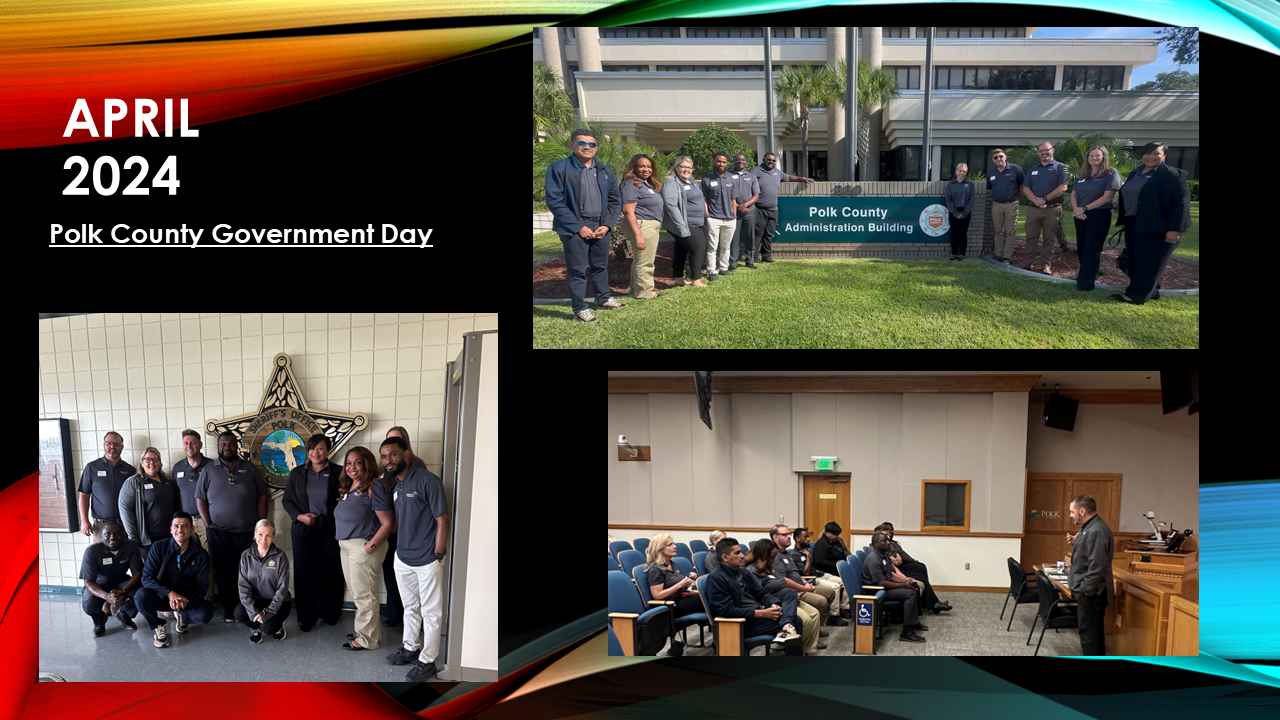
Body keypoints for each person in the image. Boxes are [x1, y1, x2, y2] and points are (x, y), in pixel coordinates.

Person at [381, 437, 449, 682]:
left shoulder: (428, 480)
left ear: (406, 454)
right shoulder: (396, 486)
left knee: (431, 613)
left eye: (393, 455)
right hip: (403, 558)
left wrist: (438, 556)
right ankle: (411, 648)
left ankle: (428, 661)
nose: (388, 460)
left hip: (427, 559)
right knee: (410, 608)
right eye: (384, 456)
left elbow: (442, 520)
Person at [544, 128, 625, 323]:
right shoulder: (558, 168)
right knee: (577, 270)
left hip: (600, 227)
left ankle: (603, 299)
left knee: (600, 266)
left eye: (591, 144)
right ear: (572, 144)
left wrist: (607, 225)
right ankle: (579, 308)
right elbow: (555, 201)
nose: (587, 147)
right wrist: (578, 226)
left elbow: (615, 200)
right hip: (574, 228)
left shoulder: (605, 170)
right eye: (582, 143)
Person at [195, 431, 268, 623]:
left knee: (247, 572)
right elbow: (200, 498)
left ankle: (246, 608)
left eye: (231, 443)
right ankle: (228, 609)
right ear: (218, 446)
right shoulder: (209, 470)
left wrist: (261, 525)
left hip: (247, 532)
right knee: (223, 572)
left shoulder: (250, 469)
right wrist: (208, 524)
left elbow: (262, 496)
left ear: (237, 447)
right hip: (219, 533)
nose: (227, 447)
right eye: (223, 444)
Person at [281, 433, 345, 632]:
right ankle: (306, 618)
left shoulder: (339, 472)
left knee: (332, 572)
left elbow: (348, 497)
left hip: (331, 529)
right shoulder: (297, 473)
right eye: (312, 448)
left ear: (328, 451)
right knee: (305, 573)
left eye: (320, 448)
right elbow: (287, 501)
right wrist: (300, 517)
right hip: (304, 530)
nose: (315, 452)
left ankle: (330, 613)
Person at [1113, 141, 1190, 304]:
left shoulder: (1173, 175)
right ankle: (1151, 291)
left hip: (1159, 226)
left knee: (1150, 261)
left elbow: (1181, 203)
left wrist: (1175, 229)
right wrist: (1125, 219)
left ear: (1164, 155)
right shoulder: (1136, 173)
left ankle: (1136, 295)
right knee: (1136, 258)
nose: (1151, 156)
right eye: (1148, 153)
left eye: (1156, 153)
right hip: (1134, 223)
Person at [334, 446, 395, 650]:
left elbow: (387, 523)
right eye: (349, 463)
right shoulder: (350, 487)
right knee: (358, 593)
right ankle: (365, 631)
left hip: (364, 546)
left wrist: (369, 547)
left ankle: (367, 640)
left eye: (357, 462)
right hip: (347, 545)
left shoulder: (375, 486)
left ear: (367, 464)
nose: (352, 467)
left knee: (365, 595)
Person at [703, 537, 802, 650]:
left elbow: (761, 593)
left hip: (756, 615)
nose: (742, 555)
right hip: (741, 623)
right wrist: (762, 613)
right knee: (796, 621)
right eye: (737, 553)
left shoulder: (742, 572)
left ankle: (786, 627)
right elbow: (726, 610)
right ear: (725, 557)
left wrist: (773, 604)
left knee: (790, 598)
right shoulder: (716, 578)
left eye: (741, 551)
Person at [137, 512, 214, 648]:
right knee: (141, 596)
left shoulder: (201, 554)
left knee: (204, 615)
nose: (180, 530)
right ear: (171, 529)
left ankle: (181, 616)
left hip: (186, 598)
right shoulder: (158, 547)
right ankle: (158, 626)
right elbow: (146, 578)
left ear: (192, 529)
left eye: (185, 526)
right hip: (163, 595)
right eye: (176, 526)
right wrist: (169, 593)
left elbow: (202, 585)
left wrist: (185, 601)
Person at [380, 426, 425, 628]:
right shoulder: (386, 470)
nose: (390, 453)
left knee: (410, 579)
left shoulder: (418, 466)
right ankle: (394, 615)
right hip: (390, 529)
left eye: (396, 441)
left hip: (410, 531)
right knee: (390, 573)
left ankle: (412, 621)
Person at [744, 539, 823, 653]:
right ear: (763, 555)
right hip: (771, 604)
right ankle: (789, 630)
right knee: (803, 620)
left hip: (785, 597)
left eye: (775, 556)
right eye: (772, 556)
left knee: (814, 613)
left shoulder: (770, 568)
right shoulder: (752, 571)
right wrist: (772, 605)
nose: (774, 559)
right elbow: (759, 595)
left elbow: (782, 581)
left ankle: (806, 647)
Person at [643, 533, 706, 657]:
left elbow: (680, 586)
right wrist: (679, 584)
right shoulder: (655, 570)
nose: (675, 546)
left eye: (674, 543)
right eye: (670, 545)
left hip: (682, 599)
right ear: (660, 548)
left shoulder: (674, 564)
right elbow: (658, 595)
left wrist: (689, 580)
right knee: (710, 599)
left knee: (712, 597)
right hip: (672, 607)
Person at [1066, 494, 1114, 655]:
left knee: (1089, 634)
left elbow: (1097, 566)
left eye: (1072, 512)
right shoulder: (1090, 527)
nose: (1070, 515)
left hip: (1093, 592)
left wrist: (1084, 590)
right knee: (1094, 632)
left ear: (1082, 511)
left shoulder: (1096, 531)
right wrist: (1076, 542)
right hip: (1092, 591)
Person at [1070, 146, 1123, 291]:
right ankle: (1087, 273)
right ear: (1087, 158)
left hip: (1099, 214)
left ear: (1103, 157)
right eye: (1091, 156)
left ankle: (1085, 284)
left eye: (1097, 155)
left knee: (1092, 248)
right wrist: (1076, 209)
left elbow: (1107, 197)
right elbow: (1073, 194)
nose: (1094, 158)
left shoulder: (1110, 173)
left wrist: (1085, 208)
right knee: (1081, 246)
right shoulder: (1083, 174)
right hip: (1080, 214)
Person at [768, 524, 842, 627]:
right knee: (822, 601)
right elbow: (783, 581)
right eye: (784, 535)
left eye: (789, 534)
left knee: (830, 592)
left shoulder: (786, 554)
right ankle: (813, 631)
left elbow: (796, 574)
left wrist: (807, 583)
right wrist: (804, 588)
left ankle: (817, 627)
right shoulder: (775, 555)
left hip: (802, 585)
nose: (789, 537)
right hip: (793, 591)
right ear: (775, 537)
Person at [172, 429, 215, 600]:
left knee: (208, 560)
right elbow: (176, 494)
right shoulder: (177, 468)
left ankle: (207, 598)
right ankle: (185, 597)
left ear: (200, 445)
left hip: (206, 521)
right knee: (183, 561)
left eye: (193, 442)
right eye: (186, 443)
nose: (189, 446)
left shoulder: (212, 466)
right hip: (185, 523)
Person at [862, 532, 927, 643]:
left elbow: (890, 575)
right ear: (876, 544)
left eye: (888, 540)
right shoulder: (874, 558)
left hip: (883, 587)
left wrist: (906, 580)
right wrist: (903, 585)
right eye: (884, 541)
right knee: (910, 594)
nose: (888, 543)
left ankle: (913, 623)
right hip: (875, 591)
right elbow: (881, 583)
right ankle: (906, 632)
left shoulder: (882, 555)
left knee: (914, 587)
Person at [80, 522, 142, 637]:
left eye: (117, 534)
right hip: (100, 585)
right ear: (101, 536)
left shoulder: (131, 546)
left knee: (142, 591)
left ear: (123, 535)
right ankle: (99, 621)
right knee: (89, 601)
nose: (112, 537)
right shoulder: (92, 551)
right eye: (107, 534)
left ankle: (124, 613)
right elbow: (88, 582)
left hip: (122, 582)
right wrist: (107, 597)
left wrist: (125, 592)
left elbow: (137, 573)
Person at [236, 518, 293, 643]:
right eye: (260, 534)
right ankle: (255, 628)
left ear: (273, 537)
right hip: (257, 601)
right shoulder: (246, 555)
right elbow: (243, 586)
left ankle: (278, 626)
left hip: (278, 603)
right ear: (255, 534)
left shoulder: (280, 556)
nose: (263, 539)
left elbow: (282, 589)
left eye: (268, 535)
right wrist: (253, 612)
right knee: (239, 613)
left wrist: (267, 614)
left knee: (268, 628)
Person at [874, 522, 950, 614]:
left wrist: (907, 561)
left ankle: (929, 601)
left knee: (921, 567)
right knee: (921, 578)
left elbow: (899, 558)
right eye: (886, 534)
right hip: (895, 571)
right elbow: (893, 564)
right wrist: (905, 579)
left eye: (889, 534)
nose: (889, 537)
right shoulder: (879, 551)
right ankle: (934, 603)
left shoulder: (889, 544)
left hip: (898, 568)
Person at [750, 153, 813, 263]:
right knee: (758, 234)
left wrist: (802, 179)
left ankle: (766, 255)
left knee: (769, 233)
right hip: (759, 209)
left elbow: (788, 177)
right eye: (769, 160)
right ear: (763, 159)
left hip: (773, 209)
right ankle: (753, 257)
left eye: (773, 160)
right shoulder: (755, 171)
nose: (771, 162)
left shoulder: (777, 172)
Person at [77, 431, 136, 544]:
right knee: (102, 559)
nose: (112, 446)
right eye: (109, 443)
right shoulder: (92, 468)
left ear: (122, 447)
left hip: (125, 524)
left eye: (116, 444)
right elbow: (84, 495)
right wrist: (84, 520)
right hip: (101, 525)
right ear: (104, 445)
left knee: (126, 558)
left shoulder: (130, 470)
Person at [620, 153, 664, 300]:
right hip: (642, 226)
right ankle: (645, 292)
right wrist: (638, 235)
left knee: (641, 260)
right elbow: (627, 210)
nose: (646, 169)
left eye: (649, 166)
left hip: (649, 225)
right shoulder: (631, 184)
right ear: (634, 167)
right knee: (645, 262)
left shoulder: (644, 184)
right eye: (641, 166)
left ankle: (635, 289)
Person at [1021, 141, 1070, 274]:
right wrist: (1036, 200)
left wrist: (1045, 199)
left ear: (1052, 150)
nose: (1044, 153)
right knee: (1031, 237)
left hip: (1052, 209)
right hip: (1033, 209)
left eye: (1046, 150)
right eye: (1041, 151)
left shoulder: (1061, 167)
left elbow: (1063, 187)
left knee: (1049, 238)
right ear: (1038, 153)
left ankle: (1044, 265)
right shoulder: (1033, 169)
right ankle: (1027, 263)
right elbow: (1026, 188)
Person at [118, 446, 179, 548]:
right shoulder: (134, 482)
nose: (152, 463)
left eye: (155, 459)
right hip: (148, 540)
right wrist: (132, 536)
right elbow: (125, 509)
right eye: (147, 459)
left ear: (160, 462)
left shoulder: (167, 480)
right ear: (142, 462)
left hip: (170, 537)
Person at [661, 155, 708, 287]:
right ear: (676, 167)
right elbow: (671, 206)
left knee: (681, 248)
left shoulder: (692, 182)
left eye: (689, 167)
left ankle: (678, 278)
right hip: (685, 223)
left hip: (697, 222)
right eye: (683, 166)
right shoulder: (671, 183)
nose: (686, 169)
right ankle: (696, 280)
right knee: (698, 248)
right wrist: (681, 226)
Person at [792, 527, 850, 618]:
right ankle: (834, 615)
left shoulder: (807, 550)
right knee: (835, 586)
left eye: (808, 537)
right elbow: (806, 573)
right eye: (805, 537)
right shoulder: (794, 554)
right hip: (811, 578)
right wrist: (807, 556)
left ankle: (844, 608)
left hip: (818, 573)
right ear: (797, 539)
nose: (808, 539)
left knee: (843, 581)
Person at [701, 152, 738, 281]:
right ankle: (711, 270)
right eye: (718, 161)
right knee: (712, 247)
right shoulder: (707, 179)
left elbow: (734, 199)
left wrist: (734, 214)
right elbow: (704, 199)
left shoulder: (731, 178)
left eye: (723, 162)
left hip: (729, 219)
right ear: (714, 162)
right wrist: (707, 215)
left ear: (727, 163)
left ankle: (723, 268)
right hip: (714, 218)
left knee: (726, 246)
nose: (721, 164)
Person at [987, 148, 1024, 263]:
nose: (999, 159)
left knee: (1010, 231)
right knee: (998, 231)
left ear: (1005, 157)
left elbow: (1022, 187)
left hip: (1011, 204)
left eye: (1001, 156)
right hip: (997, 205)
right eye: (996, 157)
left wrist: (1017, 198)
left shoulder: (1015, 169)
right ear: (993, 160)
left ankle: (1006, 257)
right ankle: (998, 254)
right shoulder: (991, 172)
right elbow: (989, 189)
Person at [727, 152, 761, 270]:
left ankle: (750, 260)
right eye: (737, 159)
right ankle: (733, 262)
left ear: (745, 161)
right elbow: (726, 193)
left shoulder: (751, 176)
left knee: (750, 236)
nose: (740, 161)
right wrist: (737, 206)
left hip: (749, 211)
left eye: (742, 159)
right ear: (734, 161)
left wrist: (745, 205)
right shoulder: (728, 175)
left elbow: (756, 194)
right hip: (733, 210)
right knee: (734, 237)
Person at [945, 163, 975, 260]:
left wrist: (965, 213)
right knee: (954, 232)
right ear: (956, 171)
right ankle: (954, 253)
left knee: (963, 233)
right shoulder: (950, 184)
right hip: (954, 211)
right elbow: (948, 200)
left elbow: (971, 199)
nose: (962, 173)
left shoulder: (970, 184)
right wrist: (955, 212)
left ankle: (962, 253)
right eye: (960, 171)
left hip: (965, 211)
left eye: (964, 171)